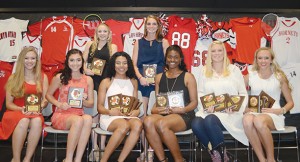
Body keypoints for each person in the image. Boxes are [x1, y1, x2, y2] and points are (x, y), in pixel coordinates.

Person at [191, 40, 248, 162]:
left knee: (209, 120)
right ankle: (219, 155)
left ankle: (220, 157)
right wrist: (205, 107)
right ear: (209, 53)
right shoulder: (204, 70)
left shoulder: (234, 70)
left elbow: (243, 93)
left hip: (230, 113)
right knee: (195, 123)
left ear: (224, 52)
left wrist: (236, 107)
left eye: (219, 50)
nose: (217, 53)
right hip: (209, 111)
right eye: (213, 51)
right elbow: (200, 92)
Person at [143, 45, 198, 162]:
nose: (172, 60)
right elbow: (157, 104)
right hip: (165, 113)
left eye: (175, 57)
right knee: (147, 121)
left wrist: (180, 110)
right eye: (170, 57)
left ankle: (179, 160)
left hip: (184, 114)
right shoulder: (158, 78)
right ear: (166, 58)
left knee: (161, 123)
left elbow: (194, 103)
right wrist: (157, 110)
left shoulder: (188, 77)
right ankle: (163, 160)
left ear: (180, 59)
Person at [243, 47, 294, 162]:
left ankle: (271, 159)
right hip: (255, 111)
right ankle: (262, 159)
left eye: (266, 58)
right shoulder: (250, 76)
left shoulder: (279, 77)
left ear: (271, 60)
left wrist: (279, 111)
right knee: (247, 120)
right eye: (260, 58)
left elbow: (290, 103)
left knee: (259, 121)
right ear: (256, 60)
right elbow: (237, 93)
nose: (263, 61)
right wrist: (244, 108)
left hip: (274, 114)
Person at [0, 46, 49, 162]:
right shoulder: (14, 78)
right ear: (22, 60)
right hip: (16, 111)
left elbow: (45, 100)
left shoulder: (43, 77)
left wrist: (40, 107)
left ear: (37, 61)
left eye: (33, 58)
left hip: (35, 112)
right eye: (26, 58)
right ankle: (16, 159)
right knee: (23, 121)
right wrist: (21, 109)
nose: (29, 61)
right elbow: (9, 104)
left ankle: (27, 159)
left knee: (37, 121)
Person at [132, 14, 169, 161]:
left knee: (154, 117)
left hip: (158, 84)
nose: (151, 27)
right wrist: (140, 78)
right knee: (142, 116)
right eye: (149, 24)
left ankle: (152, 149)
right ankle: (144, 150)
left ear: (158, 26)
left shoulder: (164, 42)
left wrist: (158, 79)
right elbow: (134, 64)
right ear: (145, 26)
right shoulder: (138, 42)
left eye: (154, 24)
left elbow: (168, 64)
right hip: (142, 83)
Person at [46, 49, 94, 162]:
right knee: (78, 121)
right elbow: (48, 95)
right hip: (61, 114)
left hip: (79, 114)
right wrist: (59, 104)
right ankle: (68, 159)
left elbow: (91, 103)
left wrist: (83, 101)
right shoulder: (60, 77)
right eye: (72, 60)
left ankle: (77, 159)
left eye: (78, 60)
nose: (75, 63)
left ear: (82, 61)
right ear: (67, 62)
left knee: (87, 118)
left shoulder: (88, 79)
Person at [97, 52, 142, 162]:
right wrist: (111, 112)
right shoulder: (106, 82)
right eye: (118, 63)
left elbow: (136, 106)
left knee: (138, 124)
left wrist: (136, 112)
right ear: (113, 65)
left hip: (128, 116)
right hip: (109, 117)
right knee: (123, 125)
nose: (121, 66)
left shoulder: (133, 81)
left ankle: (120, 160)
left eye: (124, 63)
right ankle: (104, 160)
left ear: (128, 65)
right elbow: (99, 108)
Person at [83, 23, 118, 161]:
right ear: (96, 32)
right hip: (91, 82)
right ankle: (94, 147)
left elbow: (115, 66)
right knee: (93, 115)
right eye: (100, 31)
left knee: (103, 113)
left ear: (109, 33)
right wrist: (86, 70)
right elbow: (83, 61)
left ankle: (102, 146)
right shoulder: (89, 44)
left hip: (105, 82)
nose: (102, 33)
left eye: (105, 31)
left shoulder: (113, 47)